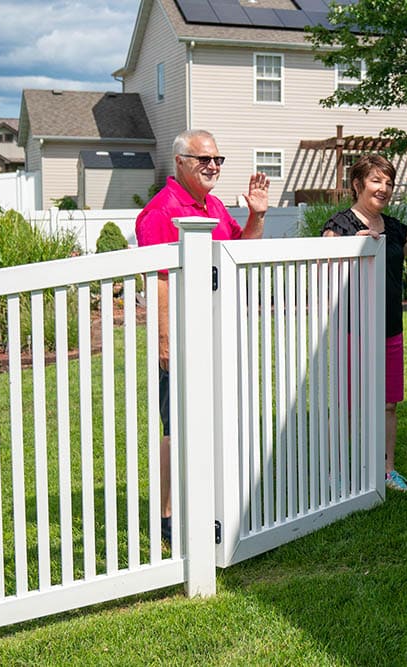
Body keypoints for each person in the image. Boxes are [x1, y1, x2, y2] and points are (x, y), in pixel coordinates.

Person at [135, 129, 269, 542]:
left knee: (212, 419)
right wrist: (164, 342)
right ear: (179, 162)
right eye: (203, 159)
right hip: (181, 335)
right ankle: (168, 516)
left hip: (216, 332)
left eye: (217, 160)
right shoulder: (160, 212)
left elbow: (237, 253)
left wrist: (257, 216)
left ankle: (209, 498)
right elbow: (157, 281)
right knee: (175, 426)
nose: (213, 166)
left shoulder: (211, 205)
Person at [322, 154, 407, 494]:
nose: (384, 189)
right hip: (353, 328)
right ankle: (339, 473)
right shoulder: (340, 226)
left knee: (389, 403)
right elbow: (323, 269)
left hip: (390, 329)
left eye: (389, 183)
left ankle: (386, 471)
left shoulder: (392, 227)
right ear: (357, 184)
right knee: (349, 404)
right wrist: (357, 247)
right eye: (377, 181)